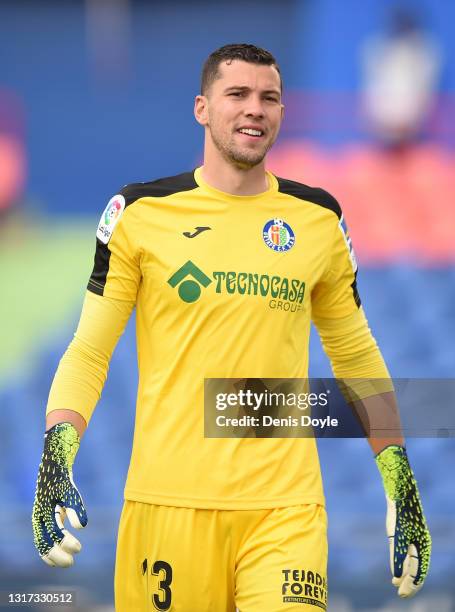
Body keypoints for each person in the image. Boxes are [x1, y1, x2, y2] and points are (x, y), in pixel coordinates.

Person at [32, 44, 431, 611]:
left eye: (269, 97)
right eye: (237, 94)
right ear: (202, 107)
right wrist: (57, 454)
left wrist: (400, 479)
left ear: (283, 114)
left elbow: (356, 356)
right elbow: (90, 351)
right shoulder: (139, 213)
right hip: (168, 507)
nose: (255, 109)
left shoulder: (318, 220)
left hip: (285, 510)